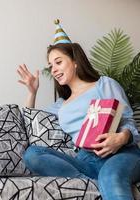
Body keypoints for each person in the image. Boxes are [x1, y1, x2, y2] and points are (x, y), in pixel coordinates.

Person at [17, 22, 140, 199]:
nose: (54, 70)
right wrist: (32, 92)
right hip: (85, 161)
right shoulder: (61, 104)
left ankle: (104, 181)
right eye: (51, 66)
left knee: (110, 175)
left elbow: (127, 119)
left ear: (75, 61)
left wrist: (121, 139)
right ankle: (90, 184)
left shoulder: (103, 84)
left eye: (58, 62)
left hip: (120, 153)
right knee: (32, 154)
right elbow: (28, 122)